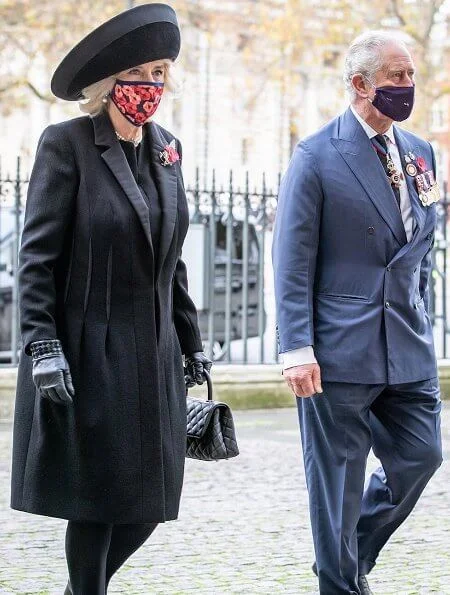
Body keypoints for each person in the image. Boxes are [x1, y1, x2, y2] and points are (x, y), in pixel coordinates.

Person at [10, 4, 212, 594]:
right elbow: (37, 260)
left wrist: (191, 340)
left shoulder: (167, 149)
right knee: (94, 500)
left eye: (163, 73)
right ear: (114, 80)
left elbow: (168, 257)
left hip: (151, 351)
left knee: (149, 499)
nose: (156, 86)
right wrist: (41, 345)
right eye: (146, 72)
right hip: (86, 349)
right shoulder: (66, 145)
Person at [272, 30, 442, 595]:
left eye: (411, 75)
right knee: (337, 484)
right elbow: (291, 261)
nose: (407, 86)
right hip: (337, 351)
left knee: (422, 455)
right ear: (359, 84)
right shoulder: (317, 155)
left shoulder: (421, 152)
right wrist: (296, 349)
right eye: (396, 76)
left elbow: (417, 242)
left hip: (407, 343)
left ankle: (353, 555)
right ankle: (338, 584)